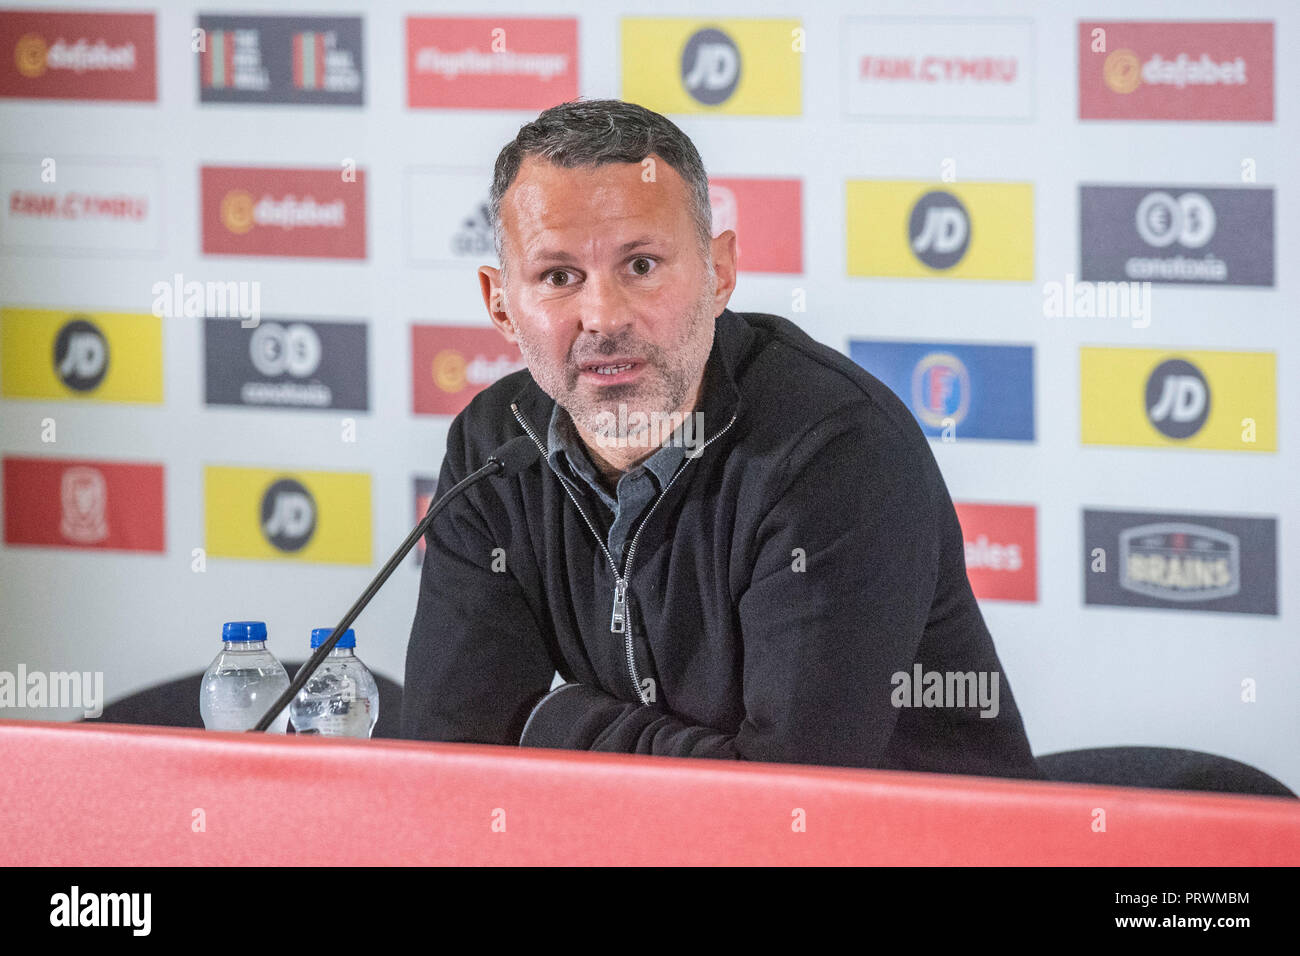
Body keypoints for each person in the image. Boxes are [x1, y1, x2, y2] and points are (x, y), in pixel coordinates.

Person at [401, 98, 1042, 779]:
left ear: (720, 274)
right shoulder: (494, 450)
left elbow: (788, 802)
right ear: (501, 304)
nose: (603, 315)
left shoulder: (836, 451)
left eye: (641, 265)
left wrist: (558, 723)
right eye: (560, 277)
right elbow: (451, 765)